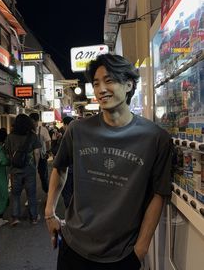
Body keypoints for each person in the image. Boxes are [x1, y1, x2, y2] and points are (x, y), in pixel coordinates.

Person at [45, 53, 172, 270]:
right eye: (96, 83)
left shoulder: (156, 138)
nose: (101, 89)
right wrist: (49, 214)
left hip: (122, 255)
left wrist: (140, 250)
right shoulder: (78, 129)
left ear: (129, 84)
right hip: (73, 247)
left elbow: (159, 194)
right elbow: (59, 167)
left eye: (109, 80)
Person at [5, 114, 41, 225]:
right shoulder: (33, 136)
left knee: (15, 194)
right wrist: (36, 165)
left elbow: (7, 153)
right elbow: (37, 152)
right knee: (31, 194)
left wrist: (12, 163)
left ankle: (15, 217)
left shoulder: (10, 137)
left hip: (15, 170)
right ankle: (34, 217)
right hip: (29, 170)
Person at [29, 112, 51, 194]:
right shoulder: (28, 130)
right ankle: (31, 195)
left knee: (43, 177)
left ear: (37, 121)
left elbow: (48, 141)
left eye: (33, 121)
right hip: (31, 157)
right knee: (30, 177)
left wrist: (48, 152)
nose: (32, 123)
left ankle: (47, 193)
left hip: (42, 157)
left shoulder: (43, 129)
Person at [60, 116, 74, 208]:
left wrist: (55, 142)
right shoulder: (80, 135)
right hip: (77, 169)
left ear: (65, 124)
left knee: (67, 192)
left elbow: (58, 153)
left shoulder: (65, 137)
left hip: (67, 169)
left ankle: (69, 213)